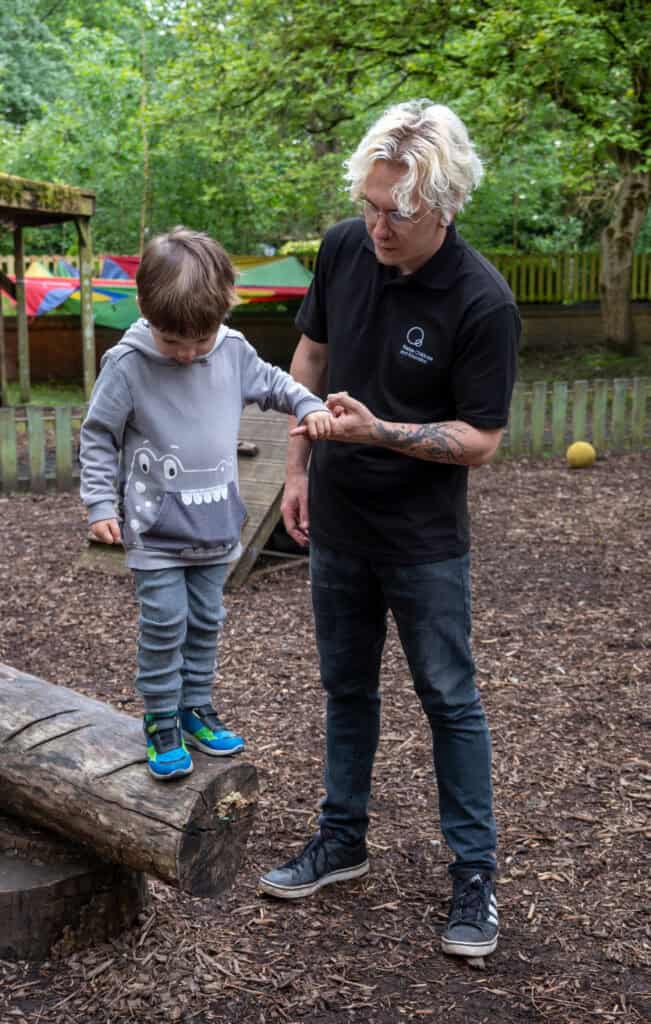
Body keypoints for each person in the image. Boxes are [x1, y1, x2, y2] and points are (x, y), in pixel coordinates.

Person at [259, 100, 519, 960]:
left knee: (448, 698)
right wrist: (297, 469)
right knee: (345, 688)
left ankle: (473, 874)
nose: (376, 227)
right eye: (369, 205)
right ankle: (342, 840)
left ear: (444, 205)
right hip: (339, 521)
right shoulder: (343, 248)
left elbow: (479, 440)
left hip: (422, 539)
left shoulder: (481, 301)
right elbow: (309, 358)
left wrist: (379, 433)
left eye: (396, 213)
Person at [80, 227, 331, 781]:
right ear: (146, 309)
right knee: (165, 622)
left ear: (222, 314)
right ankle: (161, 718)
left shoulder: (231, 351)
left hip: (216, 526)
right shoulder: (128, 364)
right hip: (155, 530)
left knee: (206, 621)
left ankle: (195, 708)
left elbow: (276, 384)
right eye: (174, 340)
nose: (189, 352)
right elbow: (98, 436)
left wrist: (308, 404)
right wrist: (99, 504)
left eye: (201, 338)